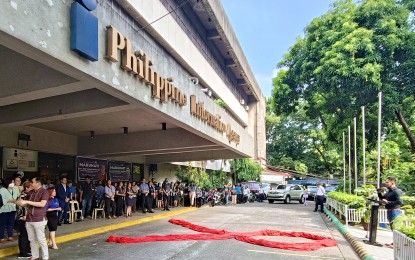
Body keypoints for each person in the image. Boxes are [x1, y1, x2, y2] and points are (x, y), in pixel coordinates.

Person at [16, 177, 50, 260]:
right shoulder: (31, 193)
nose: (31, 183)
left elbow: (42, 204)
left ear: (38, 183)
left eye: (32, 182)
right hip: (29, 219)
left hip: (39, 219)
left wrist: (27, 202)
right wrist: (20, 203)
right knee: (32, 239)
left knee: (41, 239)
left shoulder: (44, 192)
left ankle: (45, 257)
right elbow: (27, 204)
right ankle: (35, 256)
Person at [379, 176, 402, 248]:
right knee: (392, 228)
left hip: (395, 211)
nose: (385, 183)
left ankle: (397, 244)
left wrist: (388, 202)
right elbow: (383, 199)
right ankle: (394, 243)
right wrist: (379, 193)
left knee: (395, 228)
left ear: (392, 182)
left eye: (387, 182)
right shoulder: (389, 191)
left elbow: (400, 202)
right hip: (390, 211)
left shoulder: (397, 191)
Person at [15, 181, 32, 258]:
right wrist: (25, 215)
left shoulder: (27, 195)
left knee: (27, 235)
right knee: (24, 236)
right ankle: (23, 253)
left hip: (26, 218)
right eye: (31, 187)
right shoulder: (23, 195)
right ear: (27, 188)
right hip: (22, 218)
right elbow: (22, 207)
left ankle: (27, 251)